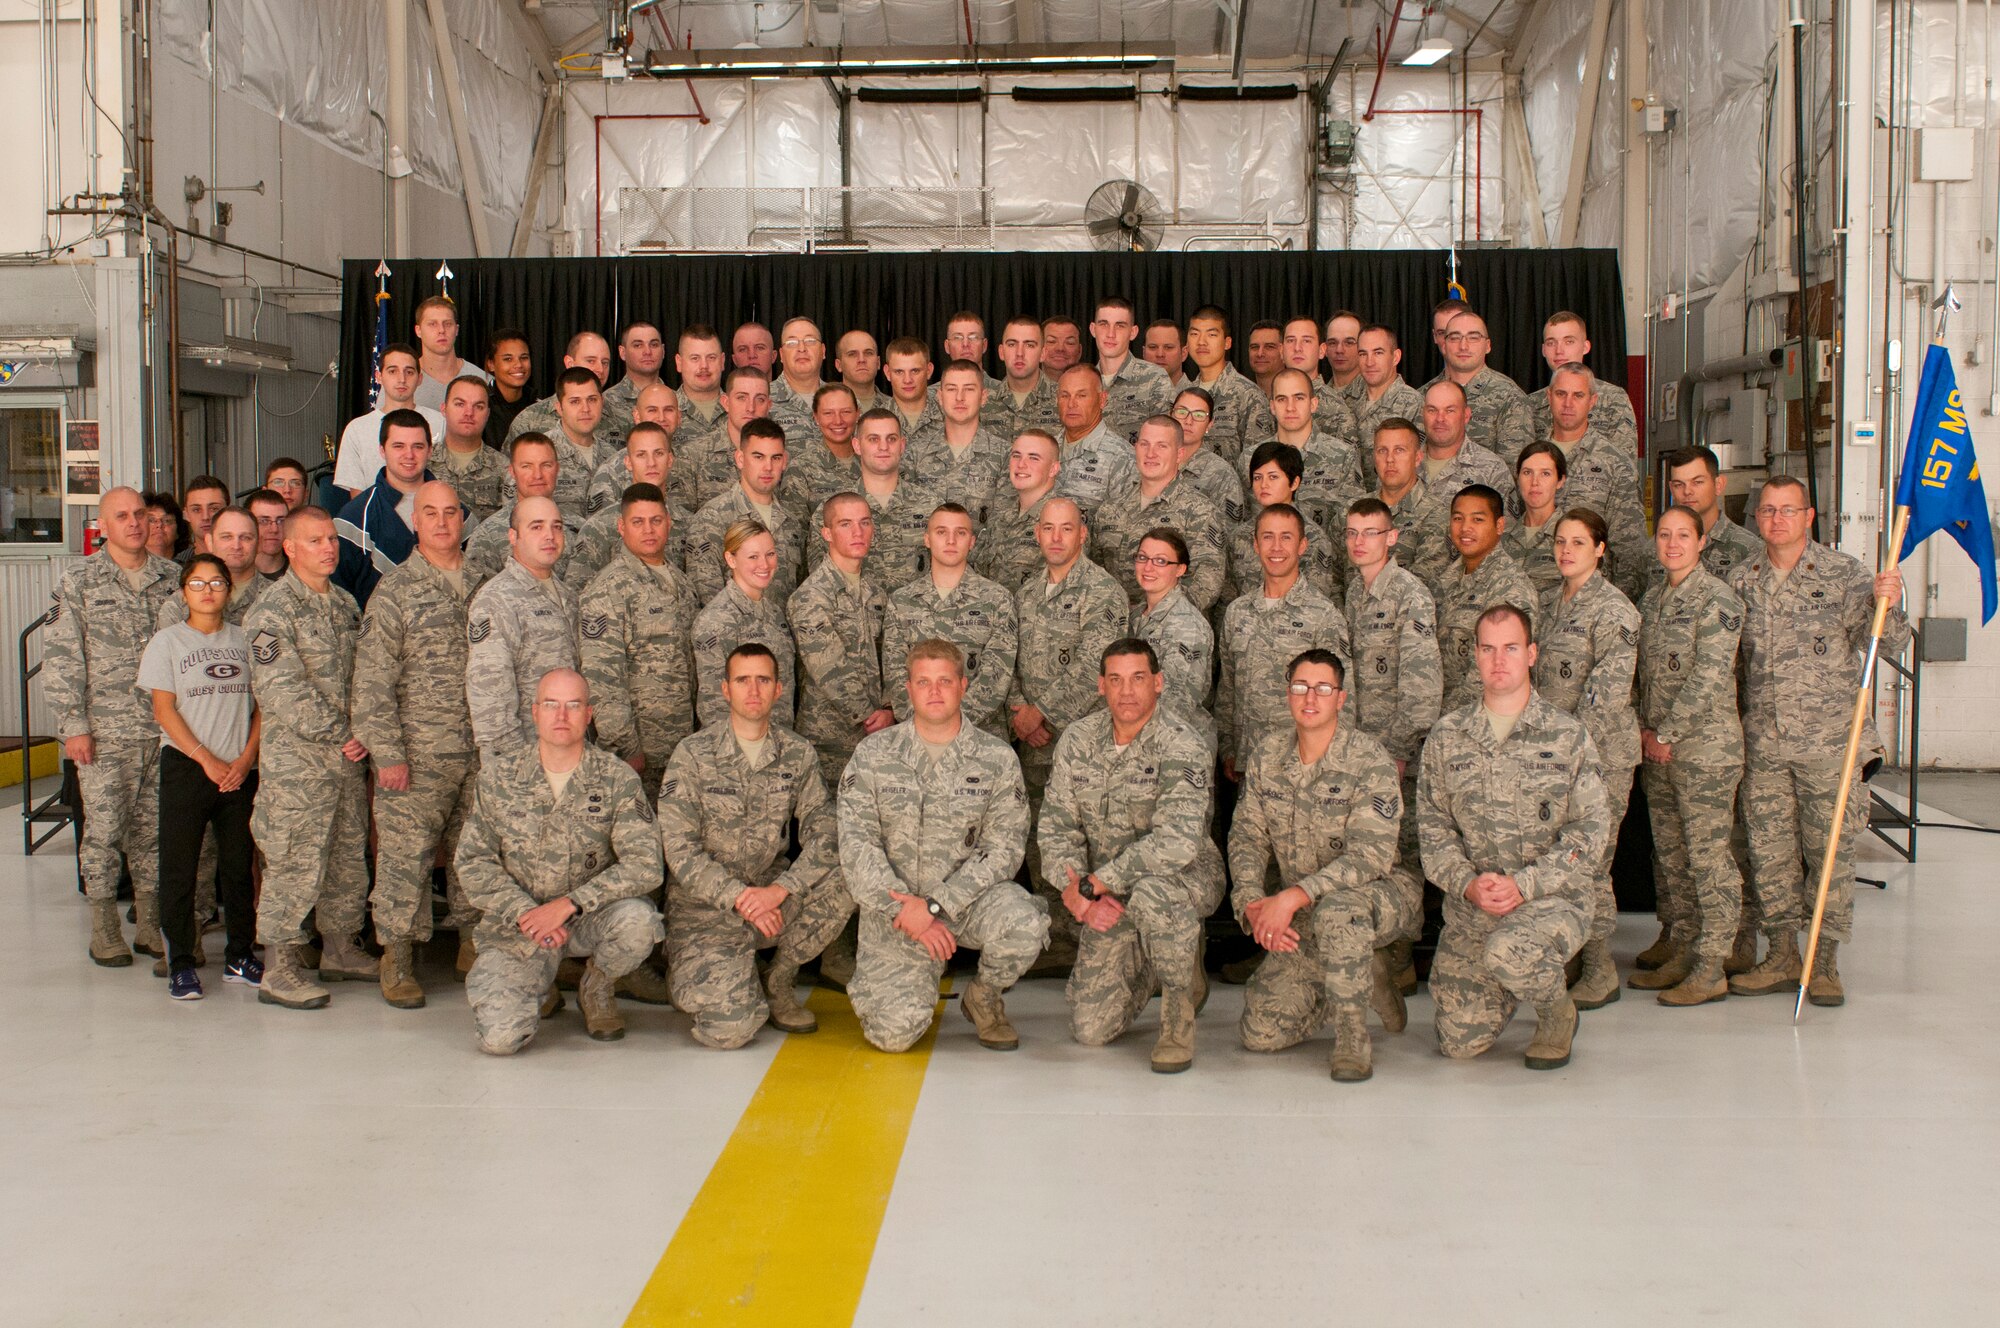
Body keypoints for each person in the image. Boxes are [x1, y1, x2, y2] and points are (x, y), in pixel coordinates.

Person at [1727, 477, 1908, 1005]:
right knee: (1770, 852)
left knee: (1830, 851)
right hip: (1764, 745)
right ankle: (1781, 952)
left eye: (1788, 510)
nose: (1776, 519)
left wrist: (1889, 603)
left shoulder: (1845, 575)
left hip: (1830, 746)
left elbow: (1890, 641)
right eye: (1767, 511)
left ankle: (1823, 960)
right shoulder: (1743, 579)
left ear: (1809, 516)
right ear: (1756, 518)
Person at [1420, 606, 1608, 1070]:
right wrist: (1466, 883)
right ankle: (1511, 975)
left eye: (1510, 648)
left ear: (1531, 654)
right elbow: (1432, 829)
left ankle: (1554, 1009)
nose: (1498, 660)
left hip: (1552, 902)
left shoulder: (1567, 736)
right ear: (1476, 657)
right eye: (1487, 649)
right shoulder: (1448, 737)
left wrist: (1526, 885)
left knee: (1509, 952)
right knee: (1457, 1041)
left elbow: (1590, 831)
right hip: (1475, 909)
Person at [839, 640, 1045, 1053]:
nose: (934, 691)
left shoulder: (996, 758)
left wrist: (935, 905)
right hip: (896, 912)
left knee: (1025, 924)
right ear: (908, 689)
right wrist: (906, 909)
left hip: (964, 903)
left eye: (945, 681)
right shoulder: (874, 754)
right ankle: (909, 982)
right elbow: (856, 844)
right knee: (893, 1037)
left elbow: (1003, 848)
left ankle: (983, 998)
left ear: (963, 686)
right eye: (923, 682)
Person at [458, 669, 665, 1053]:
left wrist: (568, 905)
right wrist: (527, 914)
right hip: (519, 926)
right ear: (534, 712)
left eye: (573, 705)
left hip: (587, 918)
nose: (561, 716)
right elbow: (473, 862)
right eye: (551, 705)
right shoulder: (500, 777)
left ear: (589, 715)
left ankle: (597, 985)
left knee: (639, 922)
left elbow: (645, 863)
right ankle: (541, 983)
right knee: (501, 1041)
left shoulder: (615, 778)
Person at [1230, 649, 1410, 1081]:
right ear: (1288, 694)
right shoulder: (1267, 756)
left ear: (1341, 698)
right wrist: (1252, 901)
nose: (1310, 698)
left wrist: (1291, 897)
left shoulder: (1368, 759)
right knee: (1260, 1032)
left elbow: (1370, 856)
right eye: (1300, 687)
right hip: (1306, 909)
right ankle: (1362, 972)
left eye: (1323, 688)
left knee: (1338, 913)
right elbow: (1247, 837)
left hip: (1376, 896)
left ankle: (1352, 1038)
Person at [1042, 639, 1221, 1071]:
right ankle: (1161, 959)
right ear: (1101, 686)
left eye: (1138, 678)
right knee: (1090, 1029)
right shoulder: (1078, 739)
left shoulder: (1183, 745)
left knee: (1154, 896)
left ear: (1158, 683)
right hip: (1105, 889)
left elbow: (1176, 844)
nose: (1127, 691)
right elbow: (1055, 827)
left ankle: (1178, 1013)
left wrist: (1096, 883)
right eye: (1116, 680)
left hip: (1182, 878)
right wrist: (1076, 890)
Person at [660, 644, 852, 1045]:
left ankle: (778, 979)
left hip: (773, 899)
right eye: (742, 680)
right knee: (731, 1030)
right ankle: (730, 976)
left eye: (763, 680)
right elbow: (679, 848)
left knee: (846, 877)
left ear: (778, 689)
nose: (753, 690)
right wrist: (740, 897)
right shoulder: (693, 754)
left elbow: (826, 832)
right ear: (725, 690)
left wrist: (781, 889)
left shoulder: (796, 753)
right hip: (707, 910)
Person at [350, 481, 488, 1007]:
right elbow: (372, 682)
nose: (442, 522)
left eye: (452, 512)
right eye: (430, 513)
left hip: (478, 749)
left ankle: (473, 945)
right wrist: (387, 755)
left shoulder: (483, 582)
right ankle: (398, 957)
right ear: (414, 522)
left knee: (475, 853)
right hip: (419, 754)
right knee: (406, 860)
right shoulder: (395, 591)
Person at [245, 507, 375, 1008]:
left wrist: (363, 732)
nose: (328, 548)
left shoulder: (343, 604)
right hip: (300, 767)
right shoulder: (271, 611)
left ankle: (340, 948)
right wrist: (342, 732)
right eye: (315, 540)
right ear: (290, 547)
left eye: (331, 540)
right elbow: (281, 689)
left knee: (346, 854)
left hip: (346, 760)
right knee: (294, 860)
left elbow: (364, 675)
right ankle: (280, 967)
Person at [43, 487, 180, 965]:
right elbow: (62, 657)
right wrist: (73, 725)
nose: (135, 523)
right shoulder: (79, 580)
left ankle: (147, 926)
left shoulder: (173, 579)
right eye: (121, 516)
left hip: (164, 730)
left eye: (140, 514)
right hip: (105, 732)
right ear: (103, 525)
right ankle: (103, 928)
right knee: (104, 830)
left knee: (153, 834)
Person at [1630, 505, 1746, 1006]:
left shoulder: (1718, 601)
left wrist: (1667, 732)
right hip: (1660, 750)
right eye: (1664, 534)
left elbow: (1709, 677)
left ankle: (1712, 965)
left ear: (1702, 543)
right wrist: (1643, 730)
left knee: (1707, 860)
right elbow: (1641, 675)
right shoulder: (1653, 599)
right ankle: (1683, 947)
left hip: (1705, 753)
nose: (1672, 543)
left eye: (1683, 535)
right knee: (1671, 859)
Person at [1532, 509, 1641, 1009]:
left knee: (1591, 863)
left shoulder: (1614, 609)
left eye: (1579, 542)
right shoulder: (1551, 603)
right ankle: (1571, 953)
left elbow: (1607, 694)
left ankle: (1600, 967)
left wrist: (1565, 754)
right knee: (1560, 861)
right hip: (1555, 759)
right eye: (1560, 541)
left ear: (1600, 549)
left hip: (1598, 759)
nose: (1567, 550)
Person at [140, 554, 261, 1000]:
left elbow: (260, 706)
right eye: (197, 583)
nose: (207, 590)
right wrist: (205, 760)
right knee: (180, 868)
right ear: (183, 591)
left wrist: (246, 758)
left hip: (237, 770)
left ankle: (240, 956)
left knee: (238, 868)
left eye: (216, 582)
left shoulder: (245, 640)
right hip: (188, 768)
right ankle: (181, 963)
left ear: (229, 589)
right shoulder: (167, 643)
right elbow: (163, 709)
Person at [1340, 496, 1443, 993]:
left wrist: (1398, 752)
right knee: (1370, 851)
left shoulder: (1409, 595)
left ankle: (1401, 955)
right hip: (1363, 752)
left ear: (1392, 536)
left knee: (1401, 857)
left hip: (1397, 755)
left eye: (1371, 532)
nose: (1361, 541)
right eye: (1353, 533)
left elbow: (1423, 690)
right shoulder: (1354, 593)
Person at [577, 483, 698, 800]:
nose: (649, 530)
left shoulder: (683, 586)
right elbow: (602, 677)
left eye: (656, 520)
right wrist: (625, 747)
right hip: (640, 753)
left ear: (668, 523)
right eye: (637, 522)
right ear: (621, 526)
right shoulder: (608, 590)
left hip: (683, 748)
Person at [1216, 503, 1349, 779]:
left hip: (1301, 768)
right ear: (1255, 545)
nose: (1276, 547)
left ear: (1302, 545)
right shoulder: (1237, 612)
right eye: (1267, 537)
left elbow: (1344, 700)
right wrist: (1228, 747)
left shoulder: (1322, 615)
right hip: (1247, 764)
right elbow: (1228, 688)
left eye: (1286, 537)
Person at [788, 491, 894, 794]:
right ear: (827, 533)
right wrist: (869, 716)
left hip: (879, 733)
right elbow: (829, 668)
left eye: (865, 522)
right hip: (830, 739)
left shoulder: (877, 593)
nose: (858, 532)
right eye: (845, 524)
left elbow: (892, 655)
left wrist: (890, 708)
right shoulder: (810, 597)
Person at [882, 504, 1018, 737]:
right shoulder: (901, 601)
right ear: (927, 539)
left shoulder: (998, 599)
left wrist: (952, 726)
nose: (951, 540)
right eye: (941, 532)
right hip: (916, 736)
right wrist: (924, 724)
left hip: (980, 736)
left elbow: (996, 674)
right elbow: (896, 674)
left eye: (961, 533)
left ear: (972, 541)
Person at [465, 496, 580, 757]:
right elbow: (490, 695)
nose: (550, 536)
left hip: (569, 755)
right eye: (536, 527)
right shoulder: (496, 600)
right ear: (513, 537)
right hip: (522, 760)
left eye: (557, 527)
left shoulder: (568, 597)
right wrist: (512, 770)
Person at [1089, 414, 1228, 611]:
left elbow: (1206, 584)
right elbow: (1097, 574)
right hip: (1115, 628)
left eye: (1162, 446)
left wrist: (1151, 615)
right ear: (1135, 448)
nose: (1151, 453)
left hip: (1169, 631)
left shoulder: (1199, 512)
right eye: (1144, 444)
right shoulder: (1109, 510)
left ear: (1179, 454)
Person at [1540, 364, 1652, 601]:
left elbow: (1630, 549)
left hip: (1591, 601)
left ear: (1592, 401)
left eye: (1578, 395)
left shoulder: (1614, 463)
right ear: (1549, 397)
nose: (1568, 403)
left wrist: (1617, 606)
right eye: (1561, 394)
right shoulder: (1531, 458)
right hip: (1535, 594)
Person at [1434, 486, 1540, 714]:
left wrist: (1445, 721)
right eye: (1458, 518)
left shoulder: (1510, 586)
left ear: (1499, 526)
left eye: (1478, 519)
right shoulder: (1445, 580)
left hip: (1479, 720)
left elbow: (1496, 671)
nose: (1465, 528)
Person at [682, 417, 805, 606]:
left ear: (784, 461)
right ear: (740, 459)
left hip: (780, 633)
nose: (768, 467)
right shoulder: (712, 519)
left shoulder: (792, 523)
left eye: (776, 458)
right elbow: (708, 600)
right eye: (758, 457)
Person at [691, 519, 797, 730]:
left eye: (770, 554)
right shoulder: (715, 621)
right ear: (731, 559)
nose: (765, 565)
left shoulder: (774, 612)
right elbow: (714, 706)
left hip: (780, 742)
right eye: (753, 557)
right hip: (739, 750)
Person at [818, 409, 938, 593]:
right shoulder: (832, 509)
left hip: (915, 617)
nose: (884, 447)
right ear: (857, 446)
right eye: (873, 439)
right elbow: (821, 581)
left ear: (902, 445)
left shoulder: (932, 506)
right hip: (856, 617)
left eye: (891, 439)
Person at [567, 422, 690, 590]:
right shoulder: (598, 528)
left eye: (659, 453)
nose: (651, 463)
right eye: (641, 455)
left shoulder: (689, 523)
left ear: (670, 460)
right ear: (628, 462)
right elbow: (579, 592)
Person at [333, 408, 434, 607]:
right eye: (398, 446)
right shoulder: (353, 519)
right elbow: (339, 596)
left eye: (418, 446)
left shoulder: (456, 512)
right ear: (382, 450)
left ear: (430, 450)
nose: (409, 455)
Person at [1249, 367, 1364, 534]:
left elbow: (1355, 522)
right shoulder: (1250, 457)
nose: (1290, 407)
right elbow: (1245, 524)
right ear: (1272, 406)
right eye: (1282, 399)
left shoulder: (1342, 456)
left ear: (1313, 404)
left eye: (1299, 398)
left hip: (1327, 557)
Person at [1225, 442, 1343, 605]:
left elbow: (1317, 601)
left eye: (1273, 477)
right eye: (1258, 477)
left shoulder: (1313, 538)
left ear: (1294, 483)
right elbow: (1227, 599)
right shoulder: (1239, 536)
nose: (1264, 484)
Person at [1131, 528, 1215, 747]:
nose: (1148, 567)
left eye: (1160, 561)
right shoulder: (1134, 615)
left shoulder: (1188, 624)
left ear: (1180, 569)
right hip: (1136, 736)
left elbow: (1178, 702)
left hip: (1175, 745)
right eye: (1143, 558)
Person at [464, 434, 579, 583]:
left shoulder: (580, 528)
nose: (537, 475)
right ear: (512, 471)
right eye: (526, 466)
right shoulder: (487, 536)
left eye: (546, 465)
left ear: (557, 469)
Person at [1424, 309, 1534, 465]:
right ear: (1444, 345)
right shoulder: (1422, 395)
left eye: (1473, 338)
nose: (1463, 346)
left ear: (1488, 346)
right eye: (1455, 338)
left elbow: (1514, 469)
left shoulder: (1510, 397)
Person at [334, 345, 445, 498]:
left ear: (420, 378)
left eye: (409, 372)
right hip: (378, 516)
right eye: (393, 371)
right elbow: (358, 496)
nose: (402, 379)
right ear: (379, 376)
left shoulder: (440, 422)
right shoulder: (357, 429)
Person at [905, 358, 1008, 520]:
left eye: (969, 389)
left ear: (983, 397)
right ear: (940, 396)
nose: (960, 397)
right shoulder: (914, 453)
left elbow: (1004, 524)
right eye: (952, 389)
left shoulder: (1005, 455)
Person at [1529, 312, 1638, 459]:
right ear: (1543, 350)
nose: (1559, 350)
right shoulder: (1530, 404)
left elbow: (1626, 463)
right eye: (1551, 343)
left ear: (1585, 347)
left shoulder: (1613, 398)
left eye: (1569, 342)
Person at [1658, 445, 1762, 583]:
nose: (1687, 491)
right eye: (1679, 485)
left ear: (1718, 484)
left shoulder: (1749, 549)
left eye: (1697, 482)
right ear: (1671, 488)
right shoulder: (1656, 549)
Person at [973, 429, 1062, 591]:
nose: (1021, 464)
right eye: (1016, 456)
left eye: (1033, 458)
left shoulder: (1063, 521)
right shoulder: (1000, 517)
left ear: (1053, 469)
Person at [1184, 306, 1274, 466]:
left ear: (1227, 343)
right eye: (1194, 334)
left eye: (1211, 335)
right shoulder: (1182, 395)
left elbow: (1259, 464)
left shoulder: (1248, 395)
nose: (1201, 342)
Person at [1371, 418, 1449, 591]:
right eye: (1382, 450)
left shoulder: (1435, 513)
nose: (1389, 459)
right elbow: (1335, 577)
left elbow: (1424, 581)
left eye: (1399, 450)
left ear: (1417, 458)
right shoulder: (1354, 510)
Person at [1052, 364, 1139, 515]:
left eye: (1081, 395)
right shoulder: (1044, 450)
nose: (1071, 404)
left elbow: (1124, 527)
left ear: (1102, 399)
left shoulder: (1124, 458)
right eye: (1065, 395)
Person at [159, 506, 267, 626]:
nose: (236, 546)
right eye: (227, 537)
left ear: (259, 544)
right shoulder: (180, 604)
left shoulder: (277, 596)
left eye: (246, 538)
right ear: (209, 542)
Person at [504, 331, 618, 445]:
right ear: (569, 363)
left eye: (605, 362)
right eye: (591, 361)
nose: (600, 369)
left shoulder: (619, 416)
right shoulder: (530, 421)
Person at [1350, 324, 1426, 489]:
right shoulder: (1347, 401)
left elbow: (1416, 466)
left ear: (1395, 357)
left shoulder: (1413, 404)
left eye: (1378, 353)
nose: (1369, 362)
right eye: (1363, 354)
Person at [1089, 297, 1172, 440]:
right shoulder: (1084, 381)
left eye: (1120, 325)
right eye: (1104, 324)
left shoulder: (1154, 378)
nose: (1111, 334)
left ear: (1133, 332)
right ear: (1093, 329)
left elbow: (1165, 440)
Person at [432, 374, 509, 522]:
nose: (469, 413)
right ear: (443, 409)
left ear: (487, 414)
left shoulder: (504, 469)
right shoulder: (423, 464)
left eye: (478, 406)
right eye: (460, 404)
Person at [1419, 379, 1513, 497]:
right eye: (1432, 410)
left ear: (1466, 415)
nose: (1440, 418)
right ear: (1423, 414)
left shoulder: (1492, 469)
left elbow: (1504, 516)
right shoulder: (1403, 462)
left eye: (1450, 411)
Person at [1170, 385, 1249, 525]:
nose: (1189, 421)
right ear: (1171, 414)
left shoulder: (1221, 475)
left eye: (1199, 415)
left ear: (1209, 425)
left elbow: (1229, 532)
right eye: (1182, 412)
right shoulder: (1152, 460)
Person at [1501, 440, 1569, 601]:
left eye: (1545, 473)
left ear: (1560, 481)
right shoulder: (1500, 537)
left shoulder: (1573, 538)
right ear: (1517, 478)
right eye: (1527, 472)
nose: (1535, 482)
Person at [1280, 314, 1360, 445]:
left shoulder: (1337, 411)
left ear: (1322, 350)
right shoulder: (1267, 403)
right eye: (1290, 340)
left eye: (1306, 341)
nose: (1297, 348)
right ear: (1281, 351)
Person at [984, 316, 1060, 439]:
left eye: (1029, 345)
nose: (1020, 353)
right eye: (1012, 344)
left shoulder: (1063, 400)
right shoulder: (983, 402)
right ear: (1001, 352)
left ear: (1043, 354)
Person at [410, 295, 490, 411]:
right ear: (418, 331)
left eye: (447, 324)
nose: (441, 330)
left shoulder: (483, 380)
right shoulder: (403, 381)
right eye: (432, 324)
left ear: (456, 330)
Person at [603, 320, 668, 432]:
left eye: (654, 345)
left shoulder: (677, 401)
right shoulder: (606, 403)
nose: (647, 351)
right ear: (623, 352)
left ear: (663, 351)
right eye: (638, 345)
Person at [767, 316, 827, 439]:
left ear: (823, 351)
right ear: (782, 355)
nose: (801, 349)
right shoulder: (762, 399)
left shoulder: (842, 399)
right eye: (792, 343)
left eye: (810, 341)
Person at [674, 323, 730, 448]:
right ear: (679, 362)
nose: (704, 366)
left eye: (711, 357)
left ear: (722, 361)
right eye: (695, 358)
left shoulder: (740, 410)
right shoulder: (664, 411)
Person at [482, 328, 535, 450]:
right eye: (508, 359)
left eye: (524, 357)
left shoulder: (540, 405)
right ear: (491, 364)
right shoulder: (480, 407)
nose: (518, 365)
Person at [883, 337, 941, 444]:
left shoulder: (950, 418)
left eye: (915, 371)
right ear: (887, 372)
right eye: (899, 372)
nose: (907, 380)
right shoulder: (874, 421)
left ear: (929, 370)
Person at [942, 310, 1005, 393]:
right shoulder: (930, 397)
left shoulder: (1003, 394)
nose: (965, 344)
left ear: (984, 345)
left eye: (973, 337)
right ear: (947, 346)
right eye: (957, 337)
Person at [178, 476, 229, 562]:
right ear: (186, 514)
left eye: (214, 509)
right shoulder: (175, 570)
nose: (205, 517)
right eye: (196, 510)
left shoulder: (243, 562)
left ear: (228, 511)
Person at [833, 328, 884, 412]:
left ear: (878, 363)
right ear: (839, 365)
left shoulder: (896, 407)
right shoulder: (823, 406)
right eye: (852, 354)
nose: (861, 360)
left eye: (868, 353)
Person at [245, 487, 291, 578]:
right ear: (247, 524)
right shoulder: (232, 574)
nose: (274, 529)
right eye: (264, 521)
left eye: (281, 521)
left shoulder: (303, 574)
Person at [1141, 319, 1189, 388]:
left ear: (1184, 353)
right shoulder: (1127, 394)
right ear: (1144, 352)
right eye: (1153, 347)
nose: (1160, 354)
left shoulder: (1199, 397)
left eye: (1168, 347)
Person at [1040, 315, 1085, 381]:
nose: (1060, 348)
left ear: (1079, 351)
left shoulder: (1094, 387)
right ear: (1039, 349)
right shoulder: (1021, 387)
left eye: (1070, 343)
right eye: (1051, 341)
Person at [1245, 320, 1284, 393]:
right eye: (1255, 347)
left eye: (1269, 347)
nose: (1260, 354)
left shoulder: (1301, 393)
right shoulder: (1237, 396)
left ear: (1283, 351)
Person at [143, 491, 183, 560]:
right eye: (151, 520)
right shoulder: (127, 567)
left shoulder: (191, 566)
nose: (159, 525)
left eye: (167, 520)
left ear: (178, 530)